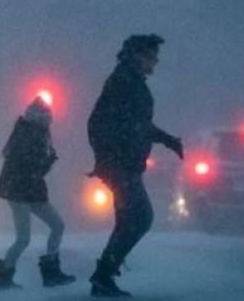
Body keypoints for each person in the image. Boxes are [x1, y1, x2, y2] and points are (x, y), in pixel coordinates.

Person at [86, 34, 184, 297]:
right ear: (137, 56)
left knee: (128, 220)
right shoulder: (122, 82)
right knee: (141, 217)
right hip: (121, 166)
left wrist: (167, 140)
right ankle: (103, 276)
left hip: (128, 165)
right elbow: (97, 122)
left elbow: (139, 124)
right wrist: (108, 159)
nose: (155, 62)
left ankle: (103, 278)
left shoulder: (132, 82)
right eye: (151, 56)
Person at [0, 96, 76, 290]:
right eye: (47, 119)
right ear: (39, 119)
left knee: (57, 225)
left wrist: (46, 160)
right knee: (24, 238)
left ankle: (50, 273)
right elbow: (31, 169)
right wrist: (48, 160)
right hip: (19, 192)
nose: (50, 123)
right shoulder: (28, 136)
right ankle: (4, 278)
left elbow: (33, 170)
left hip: (30, 190)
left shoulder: (32, 134)